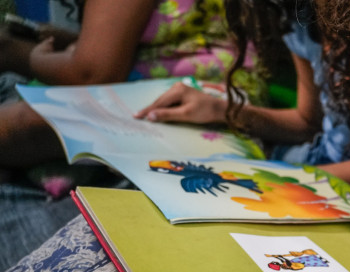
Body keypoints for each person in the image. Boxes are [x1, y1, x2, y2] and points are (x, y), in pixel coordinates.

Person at [134, 0, 350, 197]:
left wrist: (245, 177)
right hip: (318, 164)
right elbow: (307, 122)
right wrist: (221, 110)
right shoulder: (298, 12)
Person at [0, 0, 266, 170]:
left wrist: (24, 56)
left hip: (189, 102)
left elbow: (89, 73)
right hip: (236, 93)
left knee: (17, 124)